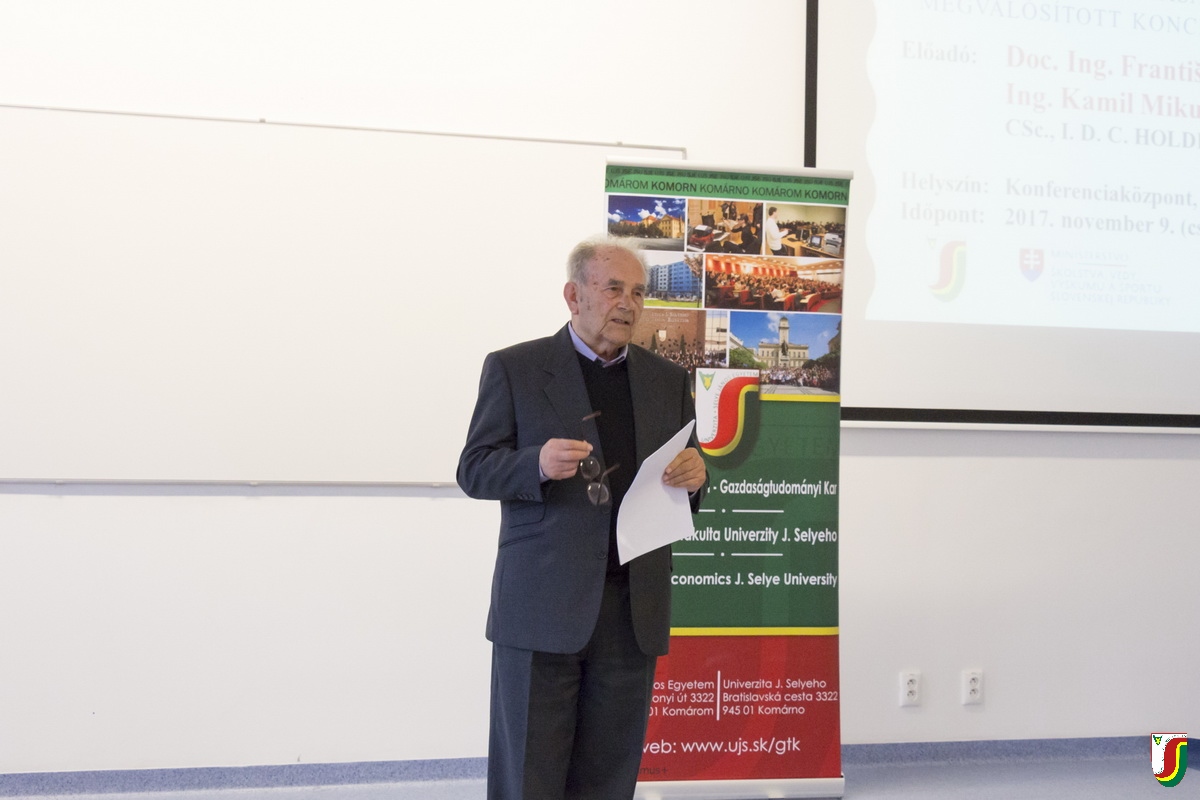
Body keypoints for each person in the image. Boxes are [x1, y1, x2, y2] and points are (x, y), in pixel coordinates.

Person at [457, 238, 708, 800]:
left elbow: (683, 475)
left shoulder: (667, 380)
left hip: (630, 612)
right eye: (614, 288)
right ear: (573, 296)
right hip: (542, 608)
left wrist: (697, 476)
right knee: (529, 776)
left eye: (638, 292)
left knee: (608, 780)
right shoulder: (516, 368)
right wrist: (536, 464)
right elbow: (474, 469)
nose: (628, 303)